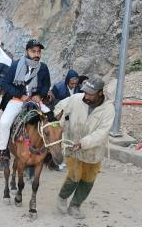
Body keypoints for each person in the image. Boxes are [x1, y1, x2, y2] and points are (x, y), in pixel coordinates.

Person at [55, 76, 114, 219]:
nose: (86, 96)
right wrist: (60, 121)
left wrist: (83, 143)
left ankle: (75, 205)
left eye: (90, 94)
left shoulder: (108, 109)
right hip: (72, 145)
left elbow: (102, 133)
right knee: (74, 176)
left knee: (88, 179)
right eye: (85, 92)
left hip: (93, 151)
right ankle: (62, 197)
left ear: (100, 93)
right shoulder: (76, 99)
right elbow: (59, 109)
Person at [0, 39, 51, 165]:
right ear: (27, 51)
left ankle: (50, 151)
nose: (37, 54)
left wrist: (40, 95)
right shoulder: (16, 65)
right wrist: (20, 95)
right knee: (4, 123)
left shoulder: (43, 67)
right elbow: (5, 83)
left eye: (39, 52)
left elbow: (46, 84)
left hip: (35, 101)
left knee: (53, 120)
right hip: (17, 100)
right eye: (33, 51)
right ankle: (3, 151)